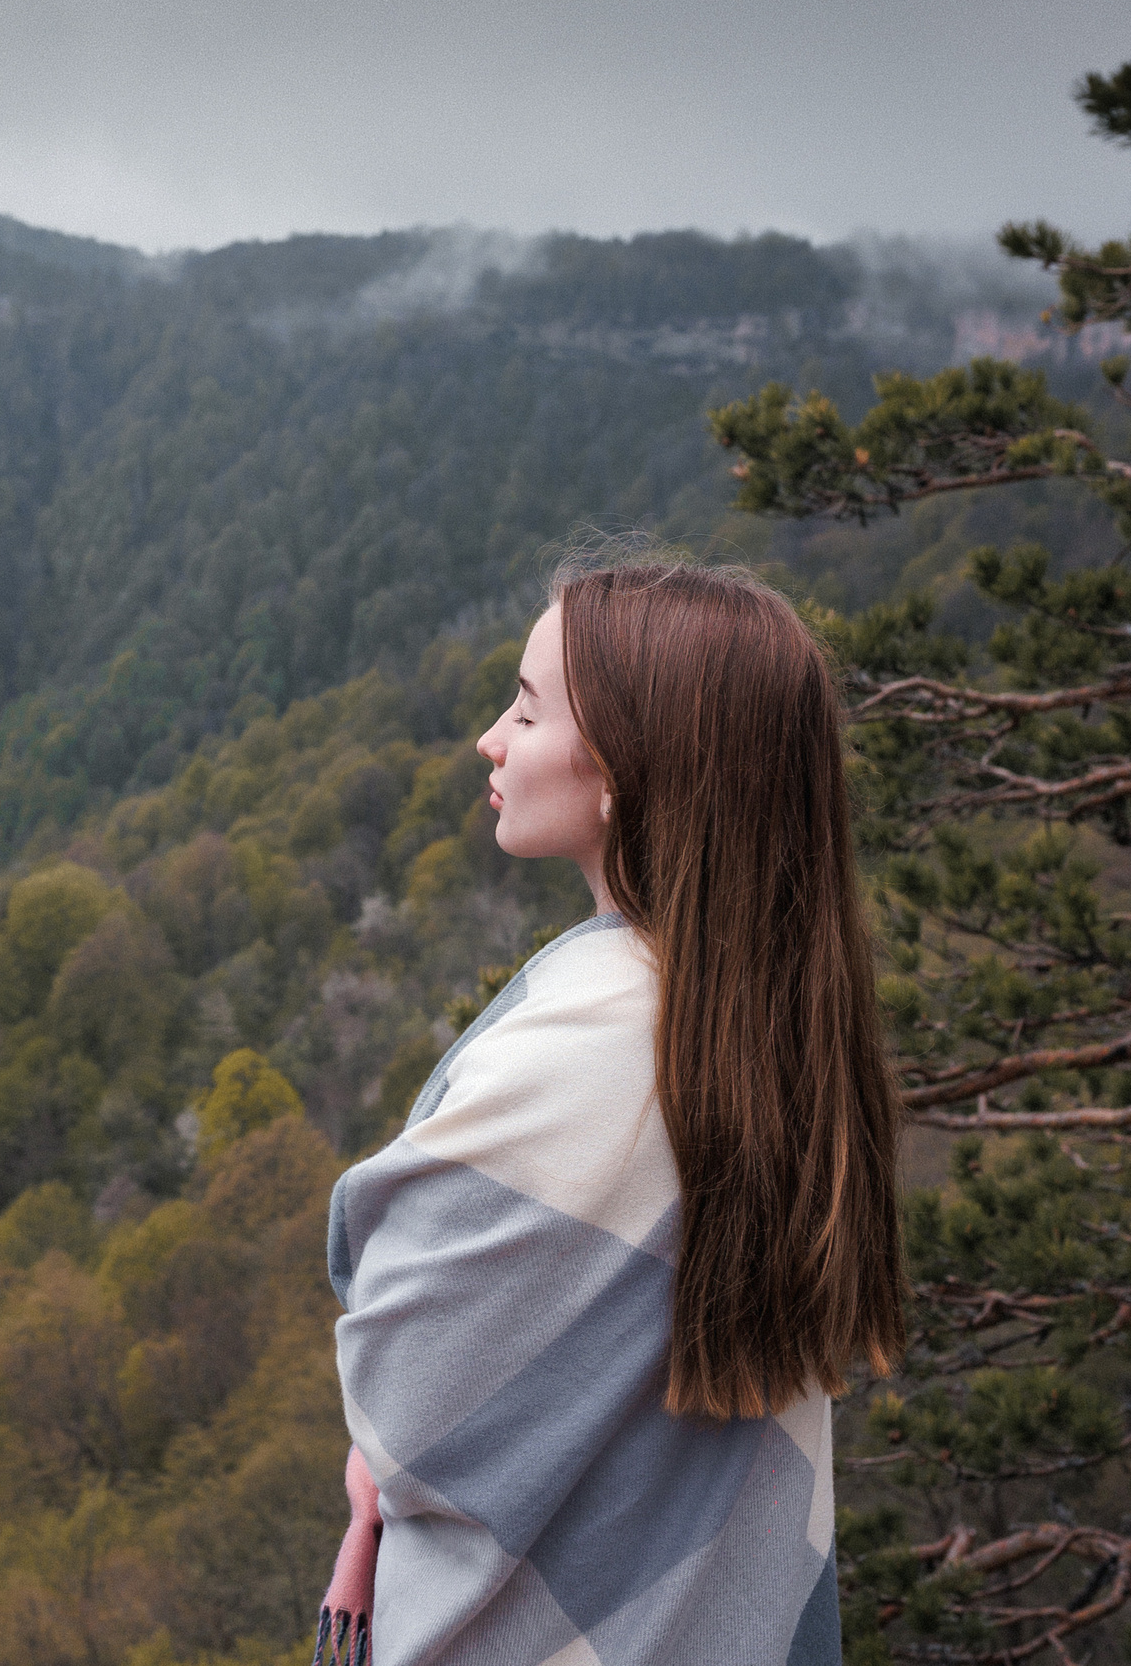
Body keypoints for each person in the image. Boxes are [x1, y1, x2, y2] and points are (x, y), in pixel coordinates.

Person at [319, 557, 905, 1666]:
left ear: (627, 774)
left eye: (529, 711)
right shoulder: (760, 1014)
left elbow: (408, 1395)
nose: (492, 739)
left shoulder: (588, 1053)